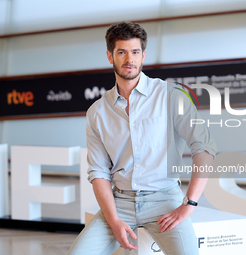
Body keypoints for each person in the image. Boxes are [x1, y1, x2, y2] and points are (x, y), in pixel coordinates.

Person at [68, 21, 217, 255]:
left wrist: (189, 204)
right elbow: (98, 172)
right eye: (122, 52)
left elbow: (204, 148)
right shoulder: (97, 112)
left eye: (135, 52)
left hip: (164, 200)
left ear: (143, 55)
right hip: (120, 203)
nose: (130, 59)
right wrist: (113, 220)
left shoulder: (171, 96)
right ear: (110, 56)